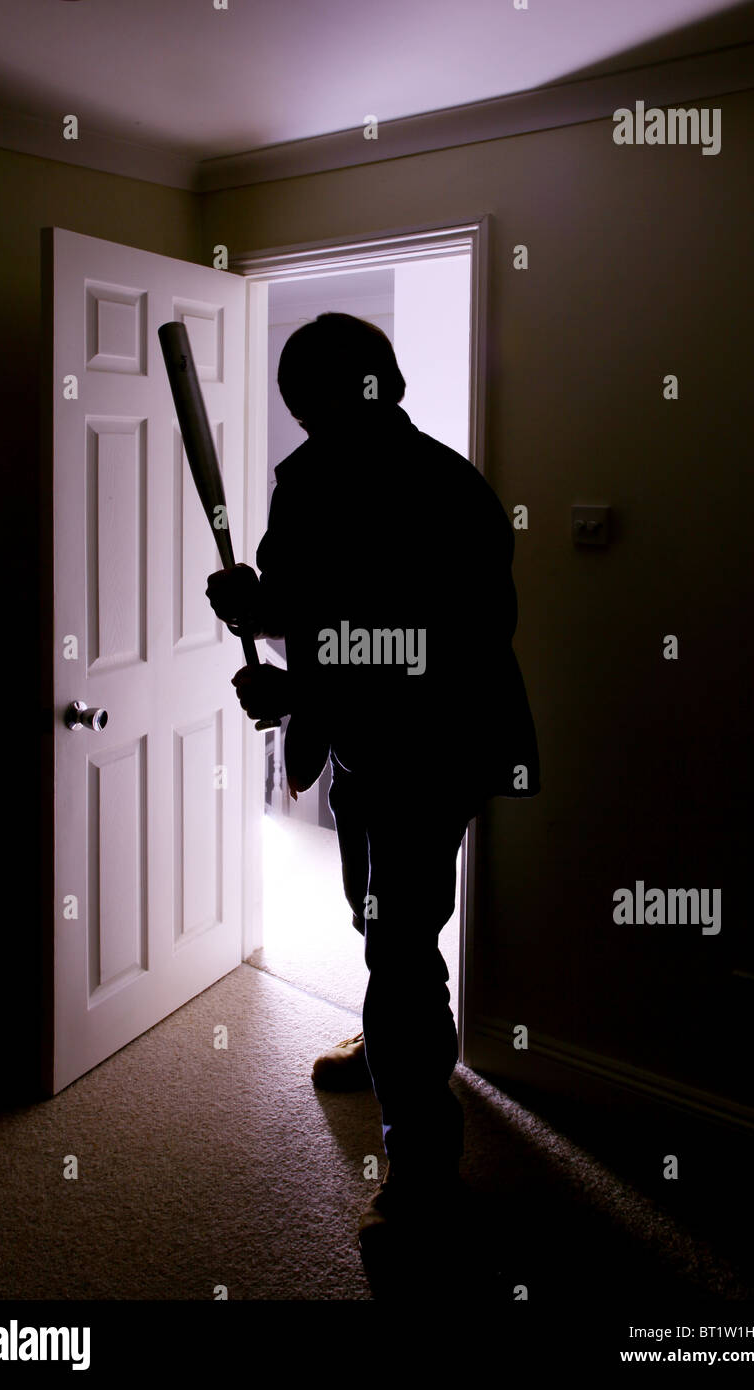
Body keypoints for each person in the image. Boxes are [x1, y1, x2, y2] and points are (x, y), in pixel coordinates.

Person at [206, 312, 539, 1250]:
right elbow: (313, 609)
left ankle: (423, 1170)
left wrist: (299, 680)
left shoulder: (446, 493)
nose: (309, 417)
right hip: (359, 744)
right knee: (371, 915)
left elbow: (441, 646)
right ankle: (384, 1031)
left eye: (325, 397)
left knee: (401, 952)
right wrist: (258, 608)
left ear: (383, 384)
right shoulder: (307, 480)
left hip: (434, 745)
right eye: (300, 404)